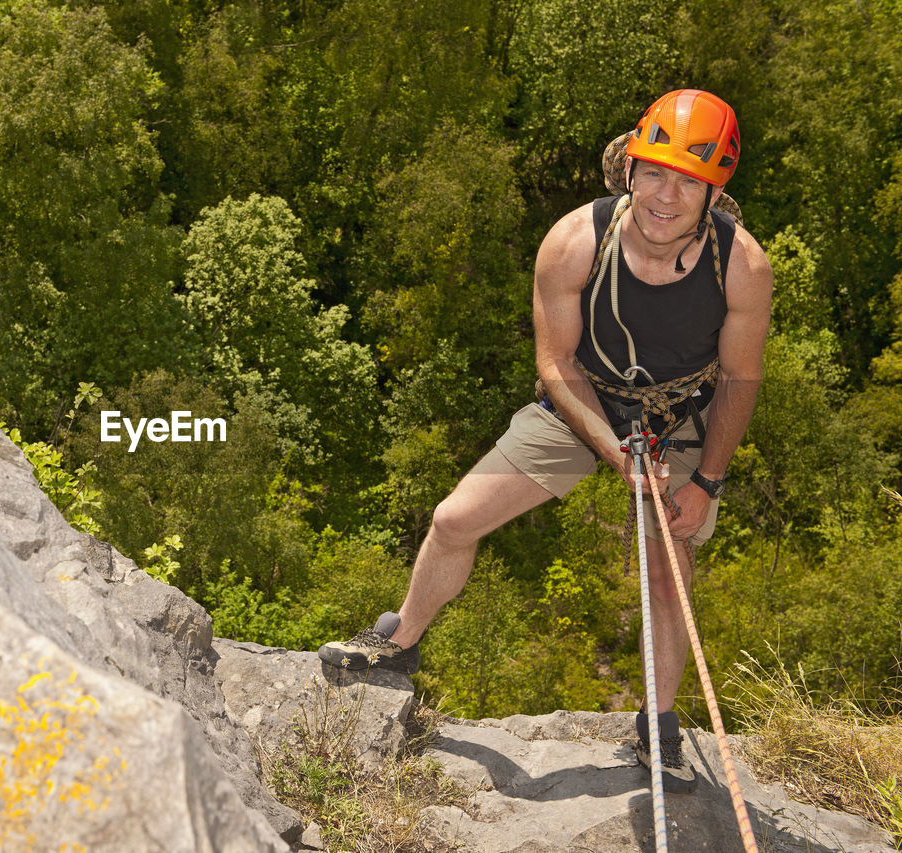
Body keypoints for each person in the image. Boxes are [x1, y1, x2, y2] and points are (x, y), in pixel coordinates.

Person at [318, 89, 774, 794]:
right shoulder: (573, 243)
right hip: (581, 401)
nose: (666, 194)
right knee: (453, 518)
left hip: (680, 418)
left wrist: (705, 479)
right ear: (629, 168)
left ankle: (657, 728)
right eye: (654, 171)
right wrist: (613, 447)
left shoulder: (740, 266)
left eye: (688, 180)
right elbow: (556, 365)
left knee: (667, 570)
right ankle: (397, 639)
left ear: (714, 193)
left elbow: (742, 376)